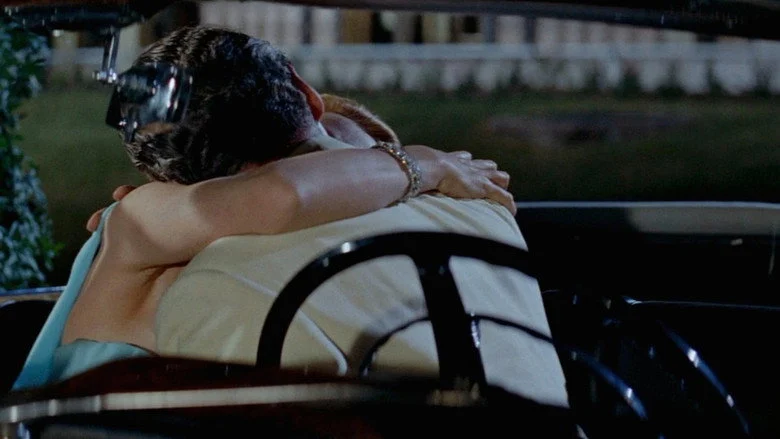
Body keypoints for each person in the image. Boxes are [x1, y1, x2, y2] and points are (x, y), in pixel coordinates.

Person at [11, 26, 515, 391]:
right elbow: (280, 195)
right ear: (306, 96)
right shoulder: (142, 218)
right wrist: (425, 164)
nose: (349, 161)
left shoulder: (225, 227)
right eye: (340, 151)